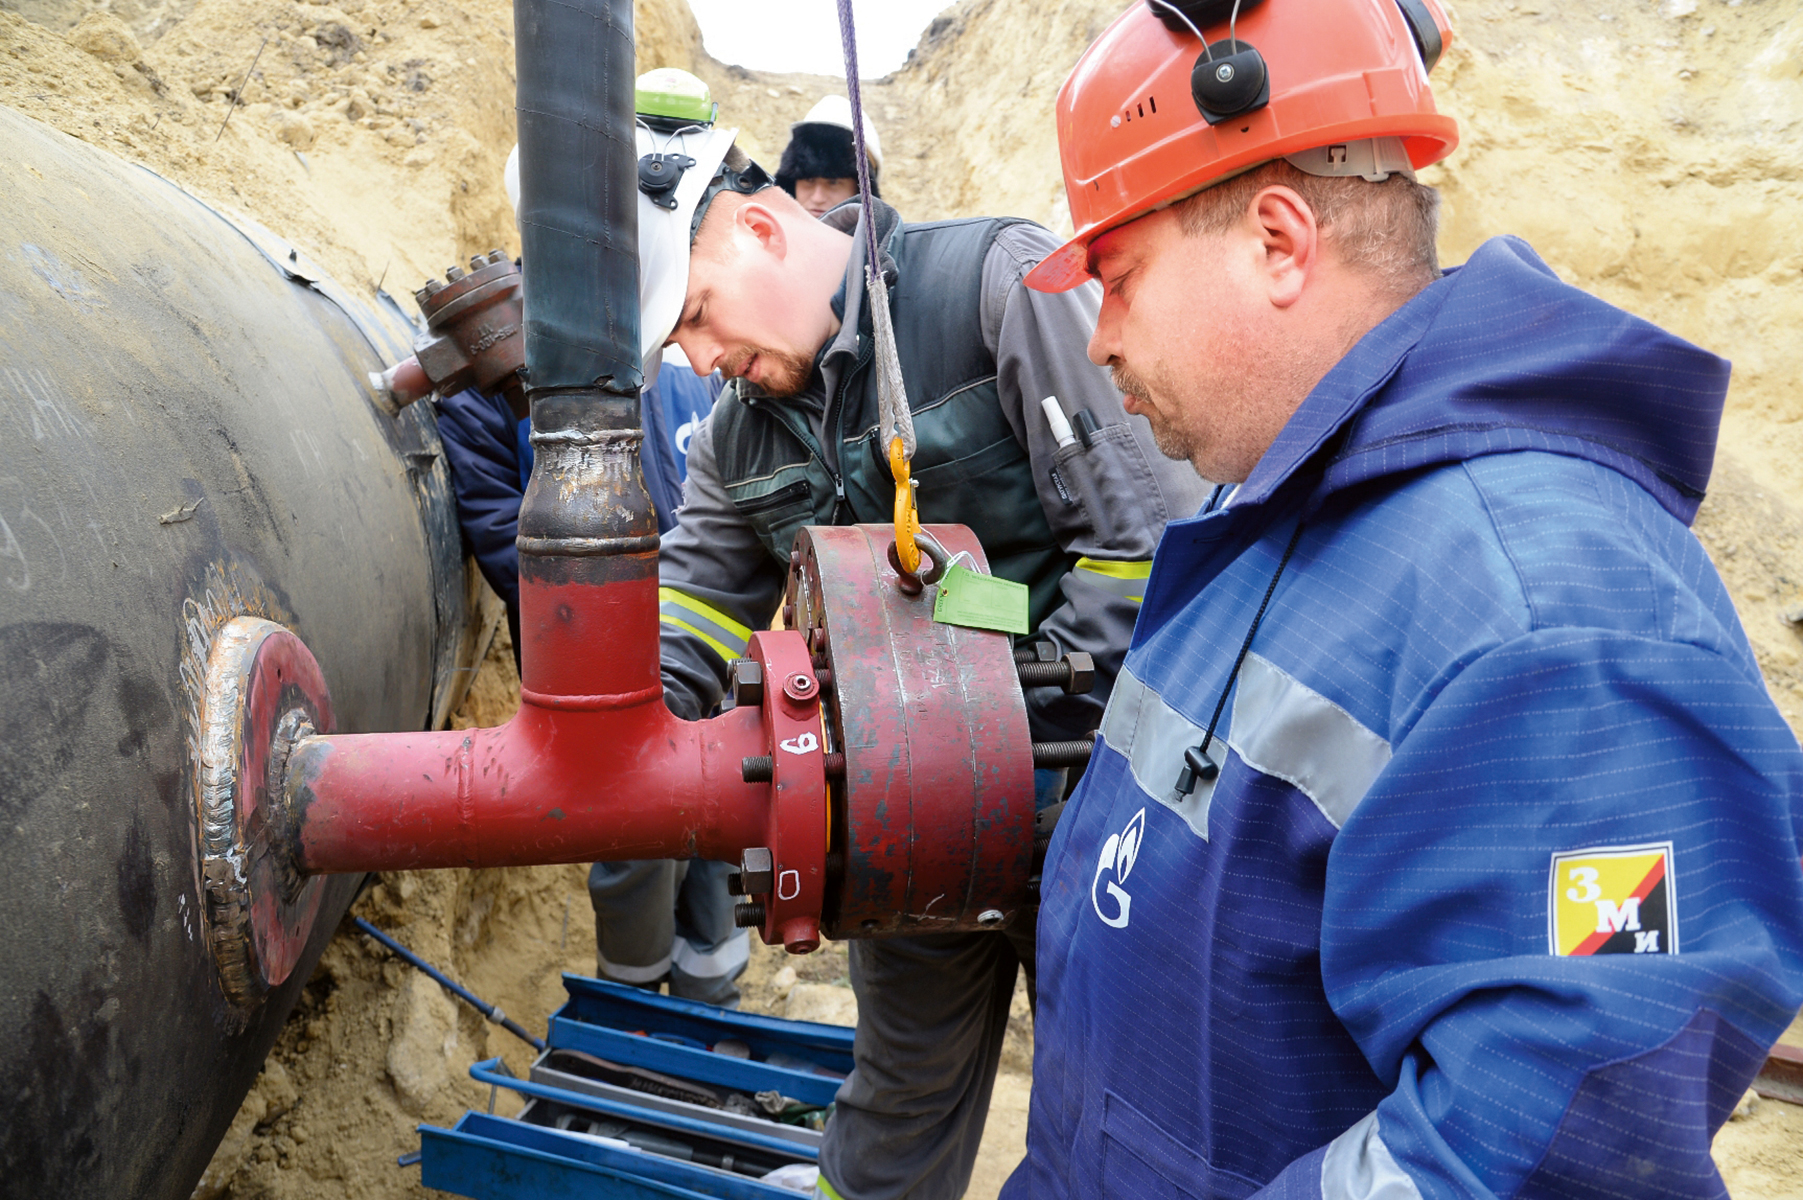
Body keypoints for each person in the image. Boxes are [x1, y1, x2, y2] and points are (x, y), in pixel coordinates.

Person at [1006, 1, 1803, 1198]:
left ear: (1279, 240)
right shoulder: (1270, 520)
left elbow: (1549, 1151)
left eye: (1119, 277)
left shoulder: (1555, 623)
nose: (1102, 338)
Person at [619, 99, 1209, 1197]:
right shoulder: (738, 436)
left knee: (1115, 1107)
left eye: (694, 315)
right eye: (679, 344)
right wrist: (629, 728)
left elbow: (1145, 556)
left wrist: (996, 759)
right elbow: (695, 609)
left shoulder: (989, 290)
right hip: (917, 820)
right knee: (897, 1102)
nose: (701, 360)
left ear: (755, 229)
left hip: (1093, 799)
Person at [434, 70, 722, 659]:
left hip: (703, 656)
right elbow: (502, 539)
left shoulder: (697, 355)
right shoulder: (488, 381)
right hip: (579, 665)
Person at [774, 95, 882, 219]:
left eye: (833, 182)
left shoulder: (893, 238)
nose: (817, 198)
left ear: (860, 191)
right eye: (809, 180)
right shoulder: (764, 236)